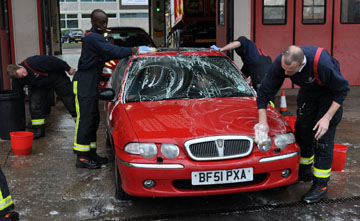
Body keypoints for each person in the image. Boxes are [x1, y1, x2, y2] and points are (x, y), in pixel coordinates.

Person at [256, 45, 349, 204]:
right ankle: (304, 172)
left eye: (289, 72)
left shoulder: (323, 64)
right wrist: (262, 123)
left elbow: (342, 90)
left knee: (322, 138)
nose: (285, 74)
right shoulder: (283, 63)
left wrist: (326, 118)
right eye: (284, 69)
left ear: (302, 65)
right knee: (302, 130)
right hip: (309, 91)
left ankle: (320, 187)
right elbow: (264, 92)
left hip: (329, 95)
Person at [72, 9, 138, 170]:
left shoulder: (97, 38)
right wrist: (132, 51)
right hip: (83, 84)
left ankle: (91, 153)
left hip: (90, 84)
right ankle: (81, 157)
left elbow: (108, 53)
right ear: (93, 22)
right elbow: (112, 52)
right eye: (101, 22)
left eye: (106, 22)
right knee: (85, 120)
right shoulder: (93, 38)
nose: (104, 25)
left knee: (93, 119)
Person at [6, 55, 77, 139]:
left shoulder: (34, 62)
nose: (24, 75)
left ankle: (80, 123)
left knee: (69, 101)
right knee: (35, 105)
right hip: (40, 85)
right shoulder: (17, 80)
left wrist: (68, 68)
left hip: (57, 78)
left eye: (23, 72)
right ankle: (39, 130)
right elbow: (18, 96)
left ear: (19, 66)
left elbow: (55, 61)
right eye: (21, 76)